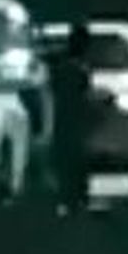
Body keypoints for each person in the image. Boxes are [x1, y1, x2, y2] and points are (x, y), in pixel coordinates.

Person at [47, 22, 98, 212]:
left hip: (63, 119)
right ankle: (76, 197)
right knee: (76, 160)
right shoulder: (78, 68)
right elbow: (83, 96)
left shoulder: (62, 65)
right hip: (73, 121)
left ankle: (70, 197)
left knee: (67, 161)